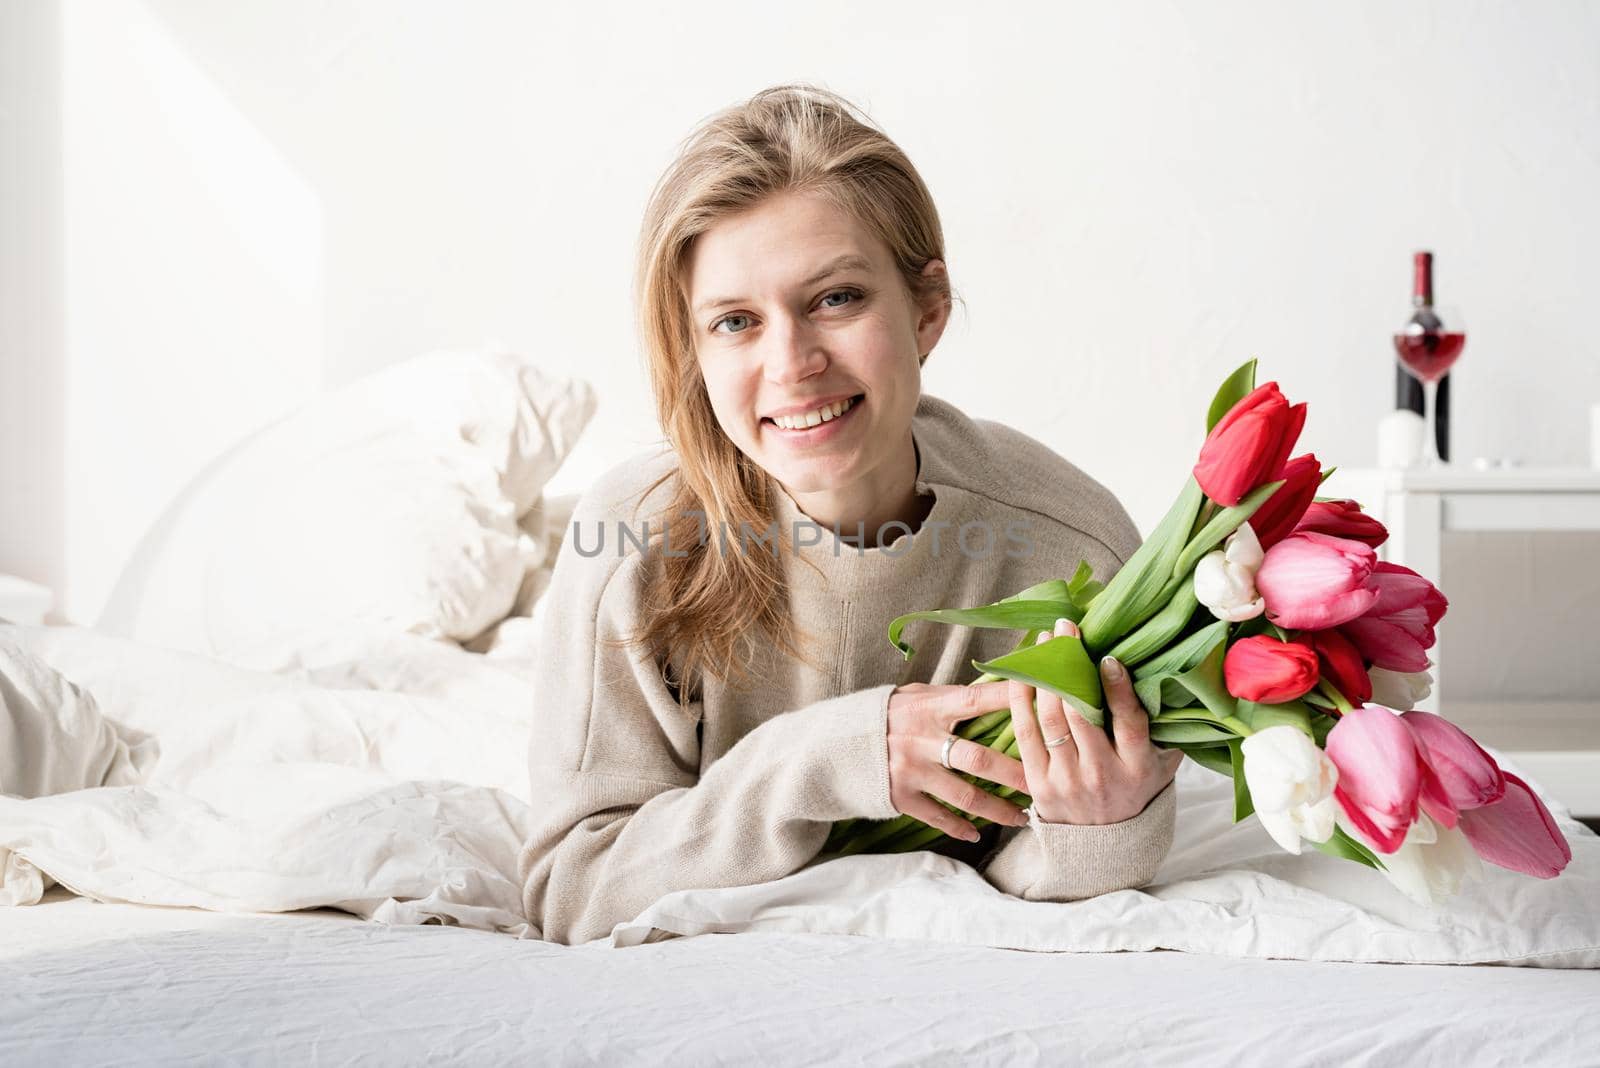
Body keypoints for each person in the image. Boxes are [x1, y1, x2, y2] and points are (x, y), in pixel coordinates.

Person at [517, 84, 1181, 945]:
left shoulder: (1068, 550)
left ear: (927, 310)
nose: (791, 363)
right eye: (735, 322)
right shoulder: (631, 546)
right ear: (695, 353)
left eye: (835, 299)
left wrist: (1099, 832)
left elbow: (1033, 866)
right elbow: (574, 887)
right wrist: (837, 758)